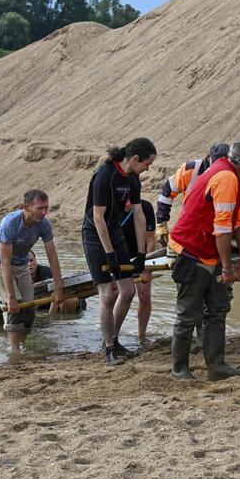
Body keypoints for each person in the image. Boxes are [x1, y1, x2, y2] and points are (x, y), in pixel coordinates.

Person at [167, 140, 240, 381]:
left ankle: (216, 365)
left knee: (218, 308)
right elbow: (221, 228)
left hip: (208, 250)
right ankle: (180, 369)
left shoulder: (233, 177)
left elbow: (239, 221)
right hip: (191, 251)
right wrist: (229, 267)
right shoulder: (227, 178)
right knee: (188, 313)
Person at [82, 138, 156, 365]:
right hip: (95, 235)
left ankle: (114, 338)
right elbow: (97, 217)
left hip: (115, 232)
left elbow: (139, 215)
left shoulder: (133, 178)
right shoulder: (105, 174)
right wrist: (110, 255)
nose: (148, 168)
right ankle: (109, 348)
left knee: (128, 290)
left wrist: (142, 254)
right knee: (108, 293)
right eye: (147, 163)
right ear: (135, 158)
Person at [0, 190, 66, 353]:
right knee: (15, 305)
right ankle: (14, 351)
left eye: (46, 208)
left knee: (29, 308)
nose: (44, 213)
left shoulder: (44, 224)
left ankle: (21, 346)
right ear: (25, 207)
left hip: (21, 264)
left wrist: (59, 288)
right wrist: (10, 296)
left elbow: (52, 254)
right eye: (39, 208)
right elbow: (5, 263)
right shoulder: (10, 223)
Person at [155, 142, 230, 244]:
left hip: (215, 226)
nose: (219, 168)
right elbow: (167, 192)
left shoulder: (231, 175)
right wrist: (161, 223)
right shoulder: (191, 169)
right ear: (208, 158)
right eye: (217, 163)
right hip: (189, 225)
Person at [118, 199, 156, 343]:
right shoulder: (112, 208)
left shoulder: (146, 207)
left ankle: (141, 335)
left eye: (131, 199)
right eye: (125, 200)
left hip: (140, 256)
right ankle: (113, 334)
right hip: (119, 257)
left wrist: (147, 268)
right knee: (116, 294)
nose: (128, 204)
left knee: (144, 295)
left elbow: (151, 240)